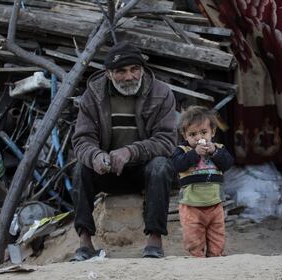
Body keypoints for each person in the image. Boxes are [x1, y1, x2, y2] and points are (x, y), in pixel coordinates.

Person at [71, 41, 177, 260]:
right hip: (107, 171)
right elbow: (82, 140)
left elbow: (166, 141)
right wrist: (96, 156)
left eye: (135, 69)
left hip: (143, 172)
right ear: (108, 74)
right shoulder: (93, 96)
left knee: (161, 166)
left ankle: (154, 241)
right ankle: (84, 242)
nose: (129, 77)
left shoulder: (161, 93)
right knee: (81, 168)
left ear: (142, 69)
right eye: (121, 71)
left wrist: (130, 151)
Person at [171, 106, 233, 257]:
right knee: (194, 241)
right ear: (184, 135)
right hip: (191, 206)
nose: (199, 138)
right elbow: (177, 165)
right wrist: (194, 154)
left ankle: (215, 259)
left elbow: (227, 164)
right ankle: (197, 262)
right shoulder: (182, 151)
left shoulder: (219, 148)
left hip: (215, 205)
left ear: (213, 132)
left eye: (204, 132)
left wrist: (215, 152)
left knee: (217, 239)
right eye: (193, 134)